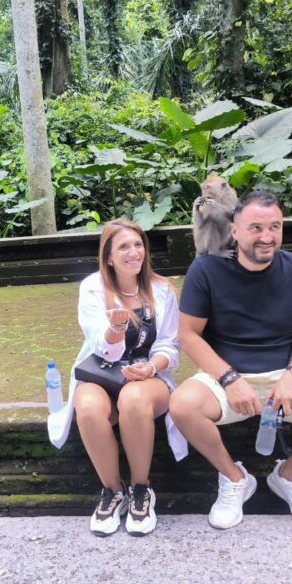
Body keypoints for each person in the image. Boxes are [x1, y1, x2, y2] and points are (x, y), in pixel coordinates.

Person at [169, 190, 292, 528]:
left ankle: (289, 475)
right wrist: (228, 379)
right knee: (182, 405)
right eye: (256, 228)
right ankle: (234, 479)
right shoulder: (206, 269)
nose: (267, 236)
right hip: (225, 379)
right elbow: (188, 334)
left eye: (274, 226)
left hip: (285, 377)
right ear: (235, 230)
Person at [47, 219, 186, 536]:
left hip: (148, 377)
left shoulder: (162, 290)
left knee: (133, 398)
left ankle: (141, 489)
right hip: (104, 372)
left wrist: (151, 368)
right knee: (88, 405)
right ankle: (113, 490)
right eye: (124, 246)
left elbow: (169, 346)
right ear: (108, 256)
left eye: (138, 245)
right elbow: (102, 348)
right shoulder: (93, 288)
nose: (133, 252)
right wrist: (116, 329)